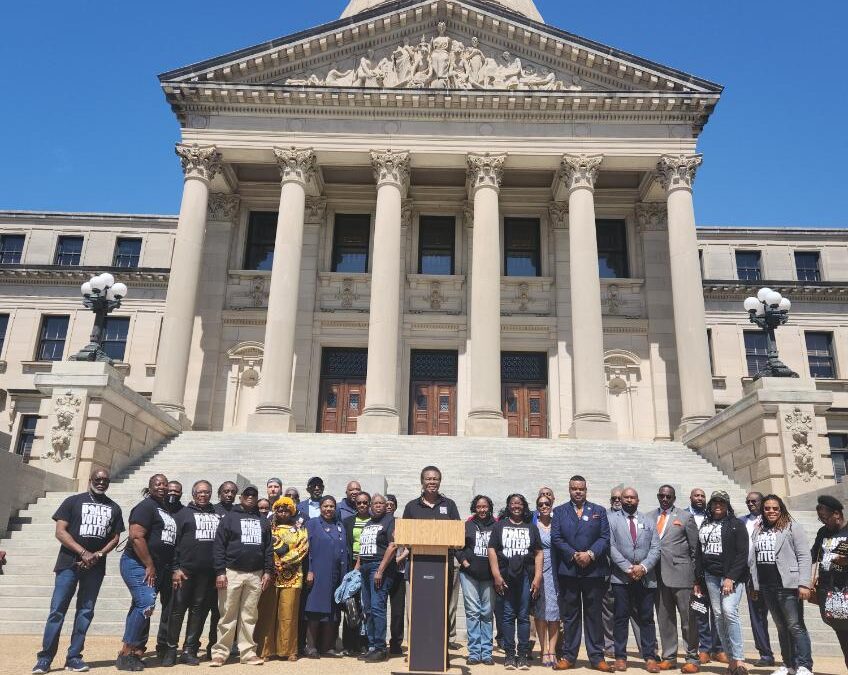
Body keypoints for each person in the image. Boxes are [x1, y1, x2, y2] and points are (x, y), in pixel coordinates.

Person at [32, 469, 124, 675]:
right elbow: (60, 531)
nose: (101, 483)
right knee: (57, 611)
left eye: (105, 480)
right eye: (98, 479)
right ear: (91, 480)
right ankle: (45, 658)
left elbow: (115, 538)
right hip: (68, 564)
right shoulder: (73, 501)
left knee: (86, 611)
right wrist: (83, 552)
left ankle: (74, 657)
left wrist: (98, 555)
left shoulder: (114, 507)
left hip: (95, 567)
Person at [116, 474, 178, 672]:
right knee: (145, 602)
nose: (162, 487)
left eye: (164, 484)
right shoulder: (146, 506)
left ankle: (133, 651)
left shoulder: (164, 508)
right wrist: (149, 564)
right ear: (150, 487)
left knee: (140, 604)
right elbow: (136, 536)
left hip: (156, 566)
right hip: (137, 563)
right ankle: (127, 653)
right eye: (157, 484)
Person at [551, 475, 612, 672]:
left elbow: (604, 537)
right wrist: (574, 554)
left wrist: (591, 554)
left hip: (593, 571)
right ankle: (569, 656)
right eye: (574, 488)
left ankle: (597, 657)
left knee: (594, 615)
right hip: (569, 570)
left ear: (586, 490)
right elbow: (556, 538)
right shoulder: (559, 511)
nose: (578, 492)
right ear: (569, 490)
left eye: (581, 489)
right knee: (571, 616)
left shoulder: (599, 511)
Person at [749, 495, 813, 675]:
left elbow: (804, 556)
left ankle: (805, 665)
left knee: (795, 626)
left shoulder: (792, 527)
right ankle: (788, 664)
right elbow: (754, 558)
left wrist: (804, 583)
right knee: (781, 626)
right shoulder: (758, 529)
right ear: (763, 510)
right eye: (767, 508)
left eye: (775, 508)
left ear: (781, 509)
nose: (771, 511)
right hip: (766, 585)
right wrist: (754, 585)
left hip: (788, 585)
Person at [210, 485, 273, 666]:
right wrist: (220, 572)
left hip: (255, 574)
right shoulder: (229, 518)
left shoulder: (263, 521)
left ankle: (247, 652)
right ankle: (221, 653)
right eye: (247, 494)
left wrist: (268, 571)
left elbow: (268, 548)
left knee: (249, 615)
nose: (251, 497)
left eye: (254, 495)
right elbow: (219, 546)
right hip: (232, 572)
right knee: (227, 615)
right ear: (241, 497)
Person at [402, 466, 461, 647]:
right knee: (416, 608)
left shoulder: (449, 505)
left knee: (441, 608)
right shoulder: (412, 506)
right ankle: (415, 648)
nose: (432, 482)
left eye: (435, 479)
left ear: (440, 481)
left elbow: (457, 532)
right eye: (428, 479)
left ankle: (440, 648)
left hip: (443, 565)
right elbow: (404, 536)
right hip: (417, 564)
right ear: (422, 481)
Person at [164, 480, 221, 666]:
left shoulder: (217, 515)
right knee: (177, 611)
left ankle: (189, 649)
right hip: (185, 571)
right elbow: (173, 543)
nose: (203, 495)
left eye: (207, 492)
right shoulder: (183, 514)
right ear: (194, 494)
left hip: (207, 573)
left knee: (198, 611)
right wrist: (175, 568)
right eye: (200, 492)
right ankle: (171, 650)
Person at [694, 491, 749, 675]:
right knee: (718, 615)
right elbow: (699, 553)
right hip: (710, 576)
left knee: (729, 611)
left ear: (727, 505)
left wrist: (730, 577)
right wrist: (698, 579)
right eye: (715, 502)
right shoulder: (705, 524)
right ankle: (731, 659)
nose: (718, 505)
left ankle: (739, 658)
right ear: (710, 505)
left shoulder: (736, 524)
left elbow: (743, 554)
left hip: (730, 577)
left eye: (722, 502)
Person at [647, 485, 700, 673]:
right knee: (665, 619)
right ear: (658, 496)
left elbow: (695, 550)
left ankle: (692, 658)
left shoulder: (685, 517)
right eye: (661, 495)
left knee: (688, 619)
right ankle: (669, 657)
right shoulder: (649, 517)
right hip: (657, 576)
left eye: (668, 496)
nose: (665, 499)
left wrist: (696, 578)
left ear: (674, 498)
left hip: (682, 576)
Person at [608, 488, 661, 673]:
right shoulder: (611, 520)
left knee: (647, 618)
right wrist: (628, 568)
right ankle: (620, 657)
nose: (629, 500)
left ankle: (649, 657)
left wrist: (643, 567)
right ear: (620, 500)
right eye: (626, 498)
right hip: (621, 578)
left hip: (646, 578)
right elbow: (611, 546)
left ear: (638, 500)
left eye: (632, 497)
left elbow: (655, 548)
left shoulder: (649, 521)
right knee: (621, 618)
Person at [488, 494, 543, 671]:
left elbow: (539, 552)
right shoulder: (500, 526)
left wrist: (537, 577)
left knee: (524, 616)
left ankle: (523, 656)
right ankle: (510, 655)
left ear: (524, 506)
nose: (516, 506)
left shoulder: (531, 528)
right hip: (505, 576)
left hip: (526, 576)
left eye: (519, 503)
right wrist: (496, 575)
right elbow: (492, 550)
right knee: (508, 615)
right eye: (513, 503)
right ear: (508, 506)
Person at [254, 497, 308, 661]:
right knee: (267, 612)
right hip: (270, 575)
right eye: (279, 510)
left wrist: (284, 562)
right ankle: (265, 650)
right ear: (275, 511)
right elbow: (263, 548)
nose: (283, 512)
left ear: (291, 511)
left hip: (292, 576)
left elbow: (303, 548)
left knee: (289, 613)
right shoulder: (268, 528)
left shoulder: (299, 529)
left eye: (286, 510)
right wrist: (272, 565)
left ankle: (288, 650)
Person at [356, 494, 398, 662]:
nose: (379, 505)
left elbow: (393, 545)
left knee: (377, 607)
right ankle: (372, 645)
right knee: (367, 609)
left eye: (382, 503)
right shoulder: (369, 522)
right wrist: (356, 569)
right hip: (365, 567)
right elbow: (362, 548)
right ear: (371, 506)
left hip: (378, 567)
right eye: (376, 503)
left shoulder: (390, 521)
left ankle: (380, 648)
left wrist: (380, 570)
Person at [305, 496, 348, 655]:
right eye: (325, 506)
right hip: (317, 573)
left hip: (336, 575)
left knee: (332, 611)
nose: (328, 509)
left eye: (331, 506)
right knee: (315, 610)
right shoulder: (312, 524)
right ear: (320, 508)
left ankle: (327, 646)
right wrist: (309, 570)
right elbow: (305, 550)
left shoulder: (339, 526)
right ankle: (311, 646)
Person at [687, 488, 724, 665]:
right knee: (701, 612)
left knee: (718, 612)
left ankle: (719, 649)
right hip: (696, 573)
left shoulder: (714, 518)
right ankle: (705, 649)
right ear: (691, 498)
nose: (700, 498)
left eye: (702, 496)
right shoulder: (683, 515)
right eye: (697, 496)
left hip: (716, 573)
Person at [457, 495, 496, 666]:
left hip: (489, 576)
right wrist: (465, 563)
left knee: (486, 614)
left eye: (485, 506)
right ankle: (474, 652)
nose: (482, 510)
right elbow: (457, 547)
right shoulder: (467, 525)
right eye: (479, 507)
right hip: (469, 575)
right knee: (473, 613)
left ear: (489, 508)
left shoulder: (497, 525)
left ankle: (486, 652)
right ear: (475, 508)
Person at [810, 495, 848, 670]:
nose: (823, 521)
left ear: (837, 514)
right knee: (842, 634)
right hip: (828, 591)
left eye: (825, 517)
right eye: (820, 518)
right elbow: (813, 556)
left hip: (846, 588)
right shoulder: (823, 532)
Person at [740, 492, 774, 667]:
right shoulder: (741, 521)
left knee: (782, 617)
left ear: (762, 502)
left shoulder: (774, 519)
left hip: (773, 574)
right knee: (757, 617)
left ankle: (794, 656)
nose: (751, 504)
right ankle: (765, 654)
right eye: (748, 501)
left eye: (754, 501)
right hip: (751, 575)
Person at [206, 482, 237, 658]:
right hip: (208, 567)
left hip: (228, 568)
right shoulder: (212, 510)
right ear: (219, 493)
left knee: (222, 610)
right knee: (206, 608)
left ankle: (217, 644)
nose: (229, 494)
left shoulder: (237, 512)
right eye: (226, 491)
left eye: (232, 492)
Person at [342, 491, 372, 655]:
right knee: (350, 605)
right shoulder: (348, 521)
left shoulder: (374, 521)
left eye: (365, 502)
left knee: (365, 604)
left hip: (368, 565)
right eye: (359, 502)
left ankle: (364, 643)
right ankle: (349, 644)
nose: (361, 505)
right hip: (352, 565)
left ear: (369, 504)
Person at [533, 493, 560, 666]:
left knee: (555, 612)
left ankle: (553, 650)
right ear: (537, 507)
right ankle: (543, 650)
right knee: (540, 612)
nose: (544, 506)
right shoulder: (533, 525)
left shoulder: (557, 524)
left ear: (551, 506)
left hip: (556, 572)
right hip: (538, 570)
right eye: (541, 504)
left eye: (547, 503)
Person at [385, 494, 409, 656]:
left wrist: (400, 558)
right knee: (377, 608)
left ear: (395, 506)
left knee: (398, 610)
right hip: (380, 571)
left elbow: (409, 545)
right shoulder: (376, 522)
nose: (388, 506)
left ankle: (396, 643)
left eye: (391, 504)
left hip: (398, 572)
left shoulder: (401, 523)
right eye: (385, 503)